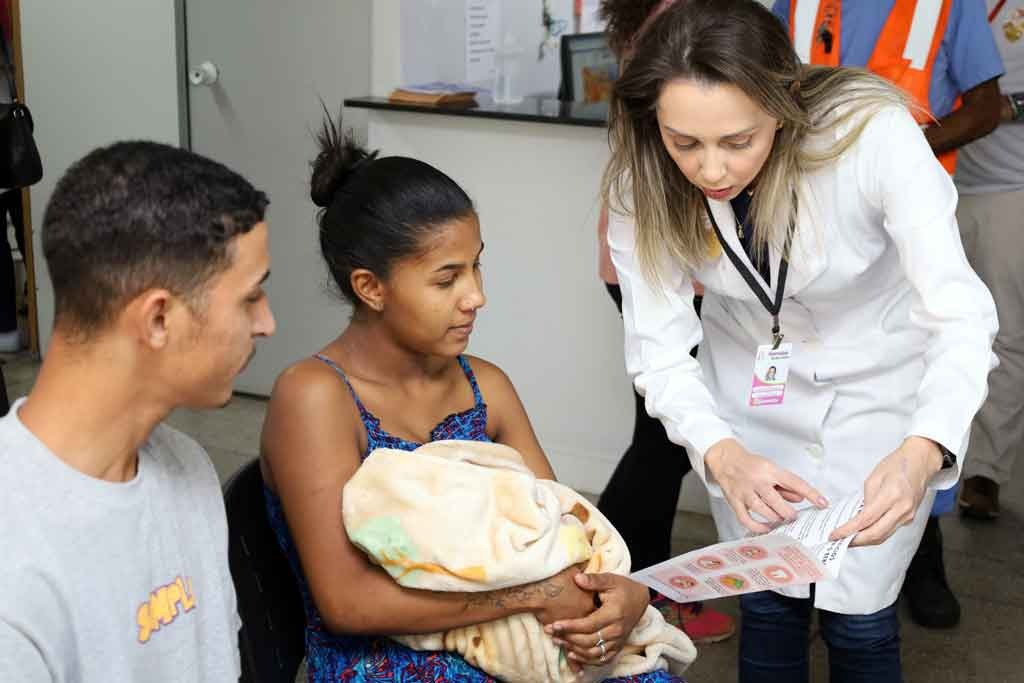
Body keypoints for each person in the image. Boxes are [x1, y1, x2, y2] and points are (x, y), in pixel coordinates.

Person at [603, 0, 997, 680]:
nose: (712, 170)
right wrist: (719, 452)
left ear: (784, 102)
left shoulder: (871, 135)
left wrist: (923, 448)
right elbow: (658, 350)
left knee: (862, 614)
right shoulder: (642, 178)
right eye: (685, 143)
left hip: (879, 394)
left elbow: (960, 313)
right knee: (767, 599)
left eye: (738, 140)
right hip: (750, 407)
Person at [259, 113, 674, 682]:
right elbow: (347, 602)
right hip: (385, 654)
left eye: (476, 265)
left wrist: (621, 596)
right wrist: (529, 597)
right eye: (446, 278)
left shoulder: (487, 387)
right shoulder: (315, 397)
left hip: (515, 630)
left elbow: (560, 536)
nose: (476, 295)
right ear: (370, 288)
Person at [0, 141, 276, 681]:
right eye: (250, 298)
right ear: (157, 320)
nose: (267, 323)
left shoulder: (186, 464)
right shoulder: (15, 564)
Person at [772, 0, 1006, 631]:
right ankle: (812, 558)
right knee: (817, 393)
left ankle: (921, 561)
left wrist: (891, 152)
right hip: (813, 224)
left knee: (908, 388)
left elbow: (990, 107)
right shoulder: (792, 5)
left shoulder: (944, 9)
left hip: (910, 221)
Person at [596, 0, 735, 645]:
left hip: (670, 260)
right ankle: (628, 590)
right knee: (662, 446)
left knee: (659, 443)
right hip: (665, 262)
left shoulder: (666, 18)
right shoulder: (678, 23)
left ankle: (630, 589)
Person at [955, 0, 1024, 524]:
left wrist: (1008, 108)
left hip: (1009, 190)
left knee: (1004, 338)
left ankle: (986, 472)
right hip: (938, 184)